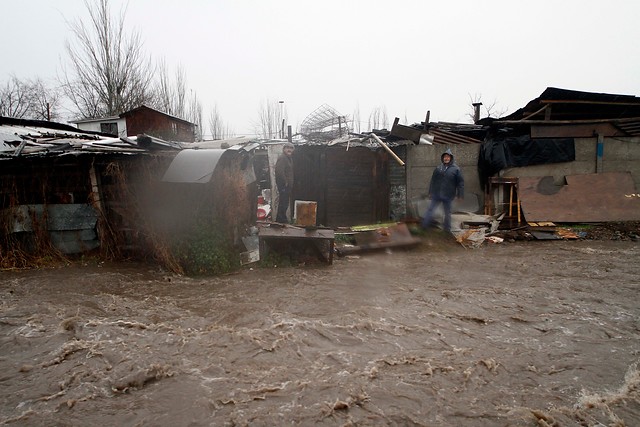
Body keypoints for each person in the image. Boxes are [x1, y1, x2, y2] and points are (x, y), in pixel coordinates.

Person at [421, 148, 464, 232]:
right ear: (442, 158)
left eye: (448, 157)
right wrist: (430, 192)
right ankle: (424, 226)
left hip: (448, 195)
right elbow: (433, 180)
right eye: (445, 157)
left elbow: (460, 183)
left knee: (447, 213)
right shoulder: (438, 168)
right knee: (430, 210)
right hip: (436, 194)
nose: (446, 158)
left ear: (451, 158)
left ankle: (447, 230)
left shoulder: (456, 169)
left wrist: (460, 195)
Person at [274, 142, 294, 223]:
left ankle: (281, 219)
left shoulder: (289, 158)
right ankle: (281, 220)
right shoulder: (283, 158)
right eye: (287, 148)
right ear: (284, 149)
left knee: (284, 202)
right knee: (283, 202)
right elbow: (279, 171)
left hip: (287, 185)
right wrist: (285, 182)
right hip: (283, 185)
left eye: (291, 148)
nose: (289, 149)